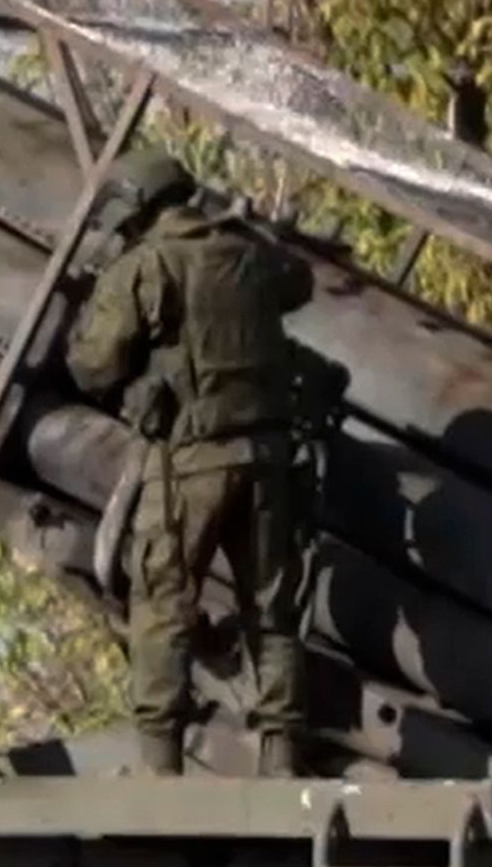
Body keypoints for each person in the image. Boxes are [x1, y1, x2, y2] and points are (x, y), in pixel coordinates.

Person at [68, 145, 327, 777]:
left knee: (162, 603)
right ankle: (281, 755)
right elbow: (299, 282)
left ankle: (161, 763)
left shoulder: (145, 268)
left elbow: (92, 364)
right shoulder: (248, 256)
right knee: (271, 608)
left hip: (189, 465)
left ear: (136, 205)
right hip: (267, 460)